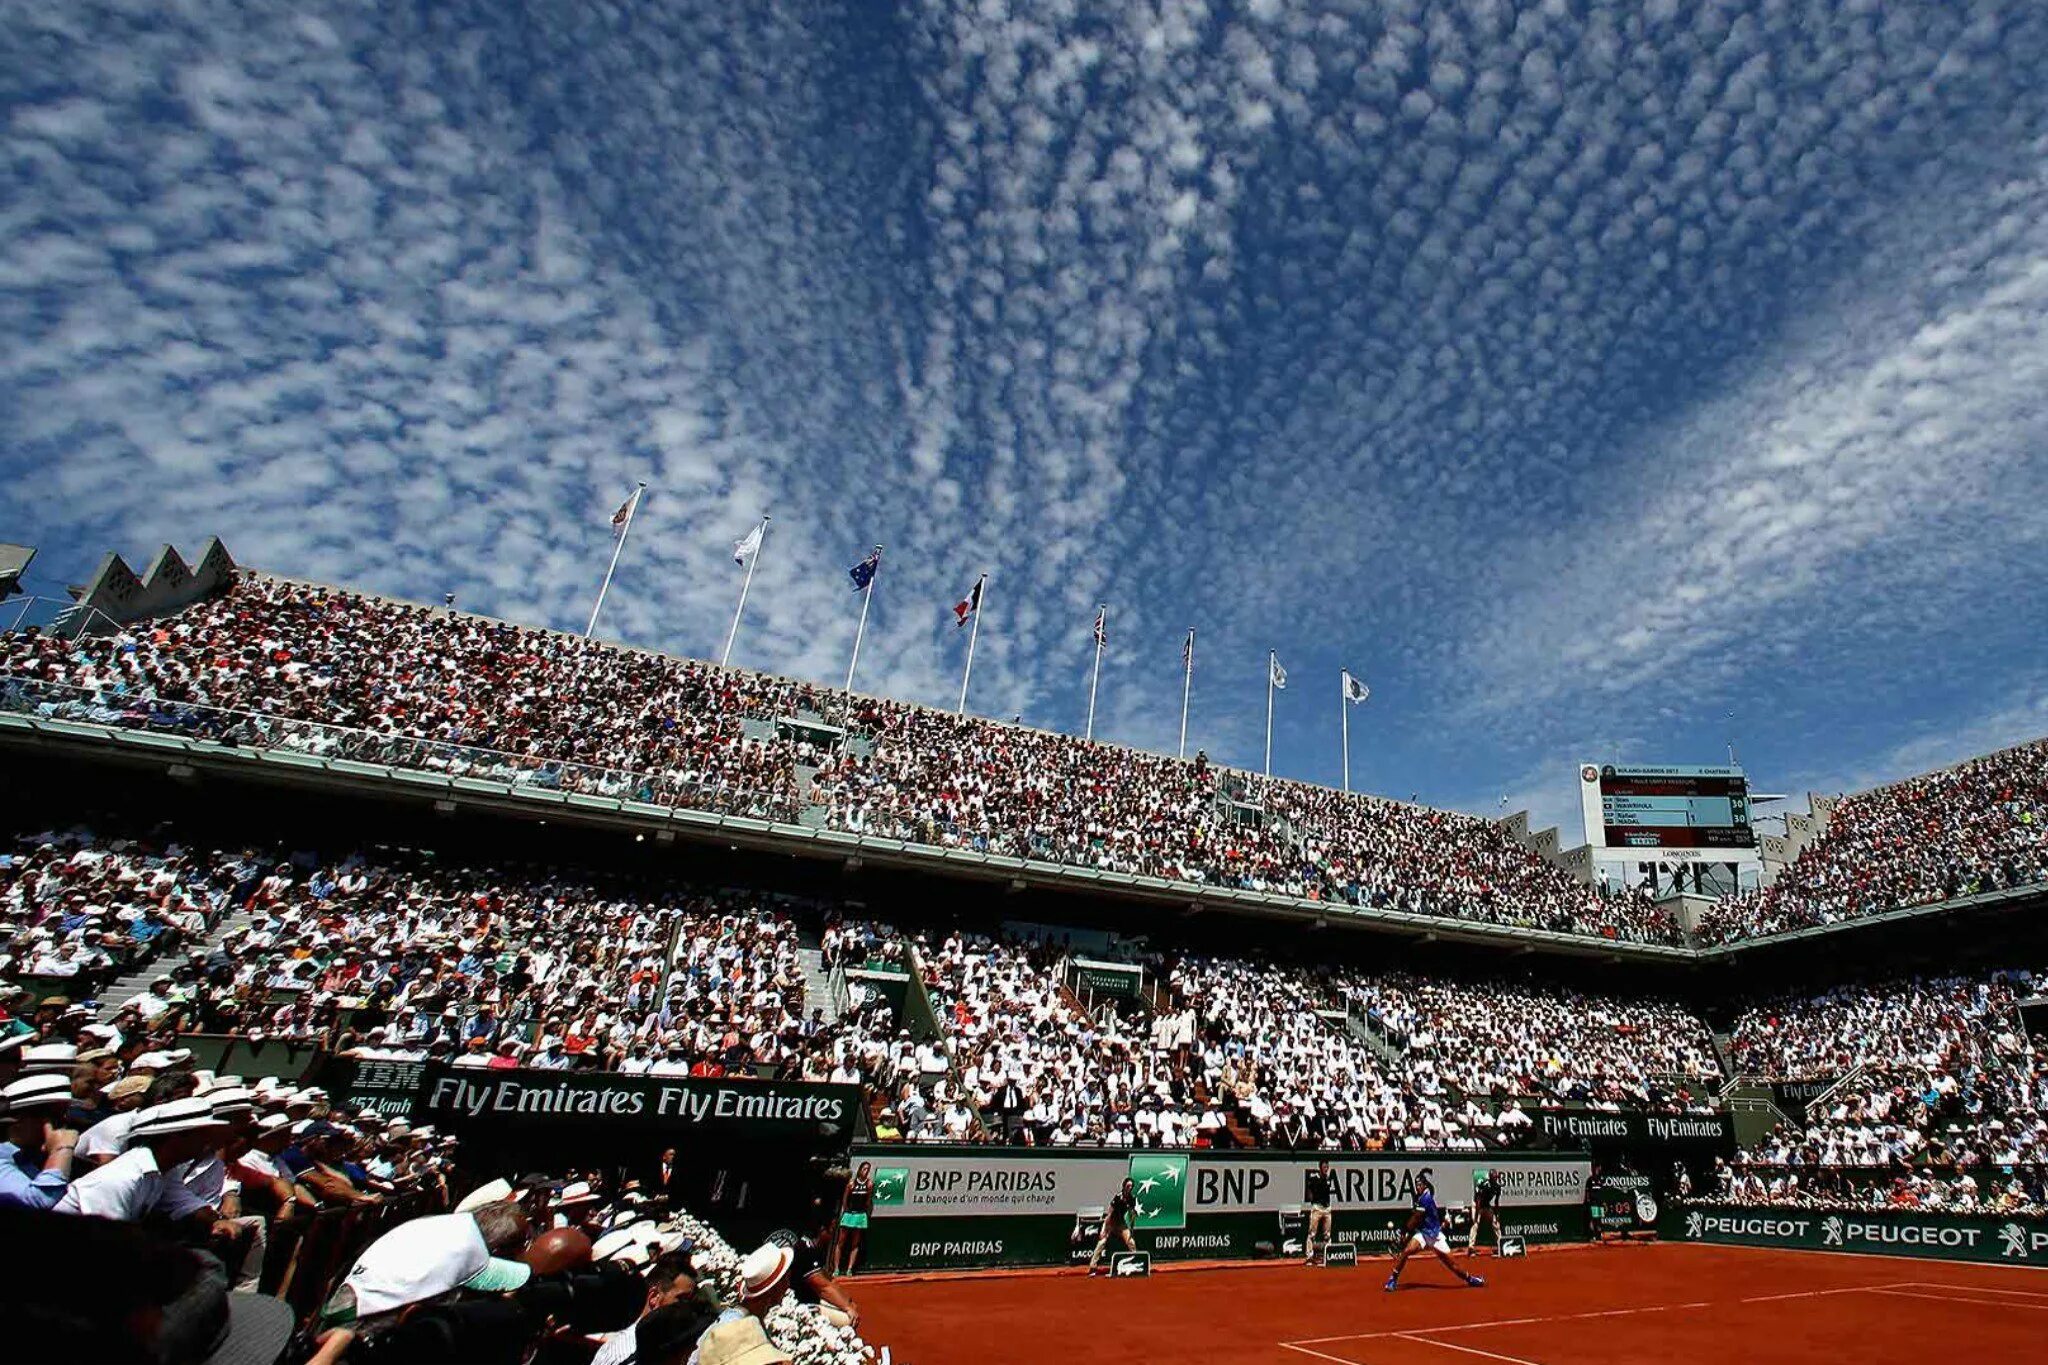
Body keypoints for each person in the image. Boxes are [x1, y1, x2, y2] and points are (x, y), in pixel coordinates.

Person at [591, 1250, 699, 1365]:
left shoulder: (663, 1349)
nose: (687, 1309)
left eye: (690, 1302)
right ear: (654, 1297)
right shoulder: (628, 1354)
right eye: (681, 1299)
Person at [1385, 1170, 1482, 1292]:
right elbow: (1415, 1217)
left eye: (1420, 1185)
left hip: (1436, 1236)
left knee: (1453, 1265)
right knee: (1406, 1252)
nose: (1418, 1187)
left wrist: (1404, 1232)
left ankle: (1470, 1279)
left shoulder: (1426, 1198)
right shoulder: (1419, 1198)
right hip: (1424, 1235)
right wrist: (1406, 1233)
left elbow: (1416, 1218)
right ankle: (1393, 1279)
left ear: (1425, 1185)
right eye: (1416, 1185)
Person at [0, 1073, 81, 1209]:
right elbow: (36, 1201)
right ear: (18, 1119)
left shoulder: (27, 1157)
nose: (62, 1125)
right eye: (55, 1117)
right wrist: (61, 1150)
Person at [1086, 1177, 1139, 1276]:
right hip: (1110, 1222)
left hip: (1121, 1223)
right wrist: (1104, 1229)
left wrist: (1131, 1230)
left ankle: (1136, 1263)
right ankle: (1093, 1268)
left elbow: (1132, 1215)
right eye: (1128, 1186)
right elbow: (1109, 1213)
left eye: (1131, 1186)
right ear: (1124, 1186)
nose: (1130, 1188)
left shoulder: (1132, 1199)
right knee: (1102, 1242)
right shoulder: (1118, 1197)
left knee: (1131, 1242)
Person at [834, 1160, 874, 1276]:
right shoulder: (851, 1184)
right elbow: (845, 1200)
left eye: (868, 1169)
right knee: (841, 1242)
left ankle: (849, 1269)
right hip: (848, 1215)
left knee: (855, 1243)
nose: (866, 1171)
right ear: (860, 1170)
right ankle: (836, 1268)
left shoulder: (869, 1185)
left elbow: (867, 1201)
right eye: (864, 1169)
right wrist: (846, 1212)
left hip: (860, 1215)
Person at [1304, 1158, 1335, 1265]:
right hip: (1317, 1208)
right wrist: (1312, 1200)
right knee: (1312, 1233)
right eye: (1324, 1167)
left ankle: (1328, 1256)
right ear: (1320, 1168)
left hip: (1327, 1209)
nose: (1326, 1169)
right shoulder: (1314, 1178)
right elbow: (1309, 1189)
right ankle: (1309, 1256)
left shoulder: (1329, 1179)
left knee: (1327, 1234)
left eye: (1327, 1167)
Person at [1467, 1168, 1501, 1255]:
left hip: (1486, 1205)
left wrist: (1496, 1214)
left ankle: (1500, 1244)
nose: (1495, 1178)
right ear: (1490, 1177)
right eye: (1494, 1177)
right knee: (1475, 1224)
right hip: (1477, 1204)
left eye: (1496, 1177)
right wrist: (1477, 1213)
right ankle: (1471, 1247)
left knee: (1495, 1223)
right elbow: (1478, 1199)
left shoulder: (1497, 1187)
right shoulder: (1485, 1185)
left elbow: (1496, 1201)